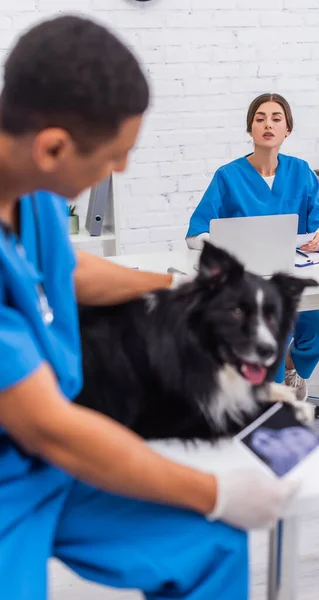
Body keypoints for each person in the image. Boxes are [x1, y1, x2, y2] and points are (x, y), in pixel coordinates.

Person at [0, 17, 300, 600]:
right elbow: (50, 429)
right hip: (18, 466)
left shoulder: (29, 195)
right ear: (53, 146)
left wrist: (175, 282)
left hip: (51, 461)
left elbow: (66, 270)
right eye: (114, 156)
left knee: (212, 547)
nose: (122, 170)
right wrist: (210, 492)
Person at [186, 93, 319, 401]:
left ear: (287, 130)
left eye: (276, 118)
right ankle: (266, 412)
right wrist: (223, 246)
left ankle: (291, 369)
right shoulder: (228, 176)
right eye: (260, 119)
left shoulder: (300, 172)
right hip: (247, 289)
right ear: (250, 129)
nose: (267, 124)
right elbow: (195, 234)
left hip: (289, 282)